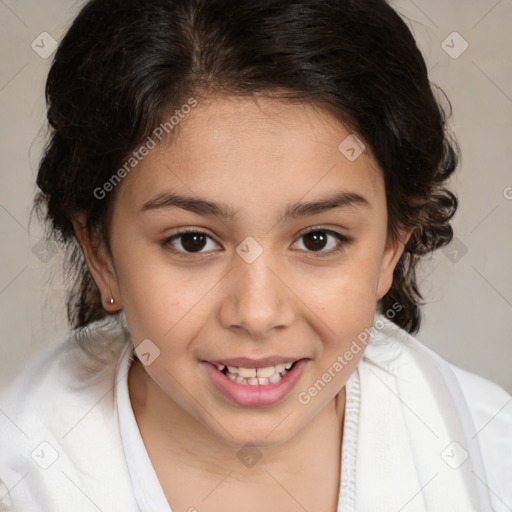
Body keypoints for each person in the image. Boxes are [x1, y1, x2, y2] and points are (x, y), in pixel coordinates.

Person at [0, 0, 510, 511]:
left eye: (317, 239)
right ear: (101, 253)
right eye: (192, 241)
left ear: (391, 243)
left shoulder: (492, 455)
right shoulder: (20, 478)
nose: (258, 313)